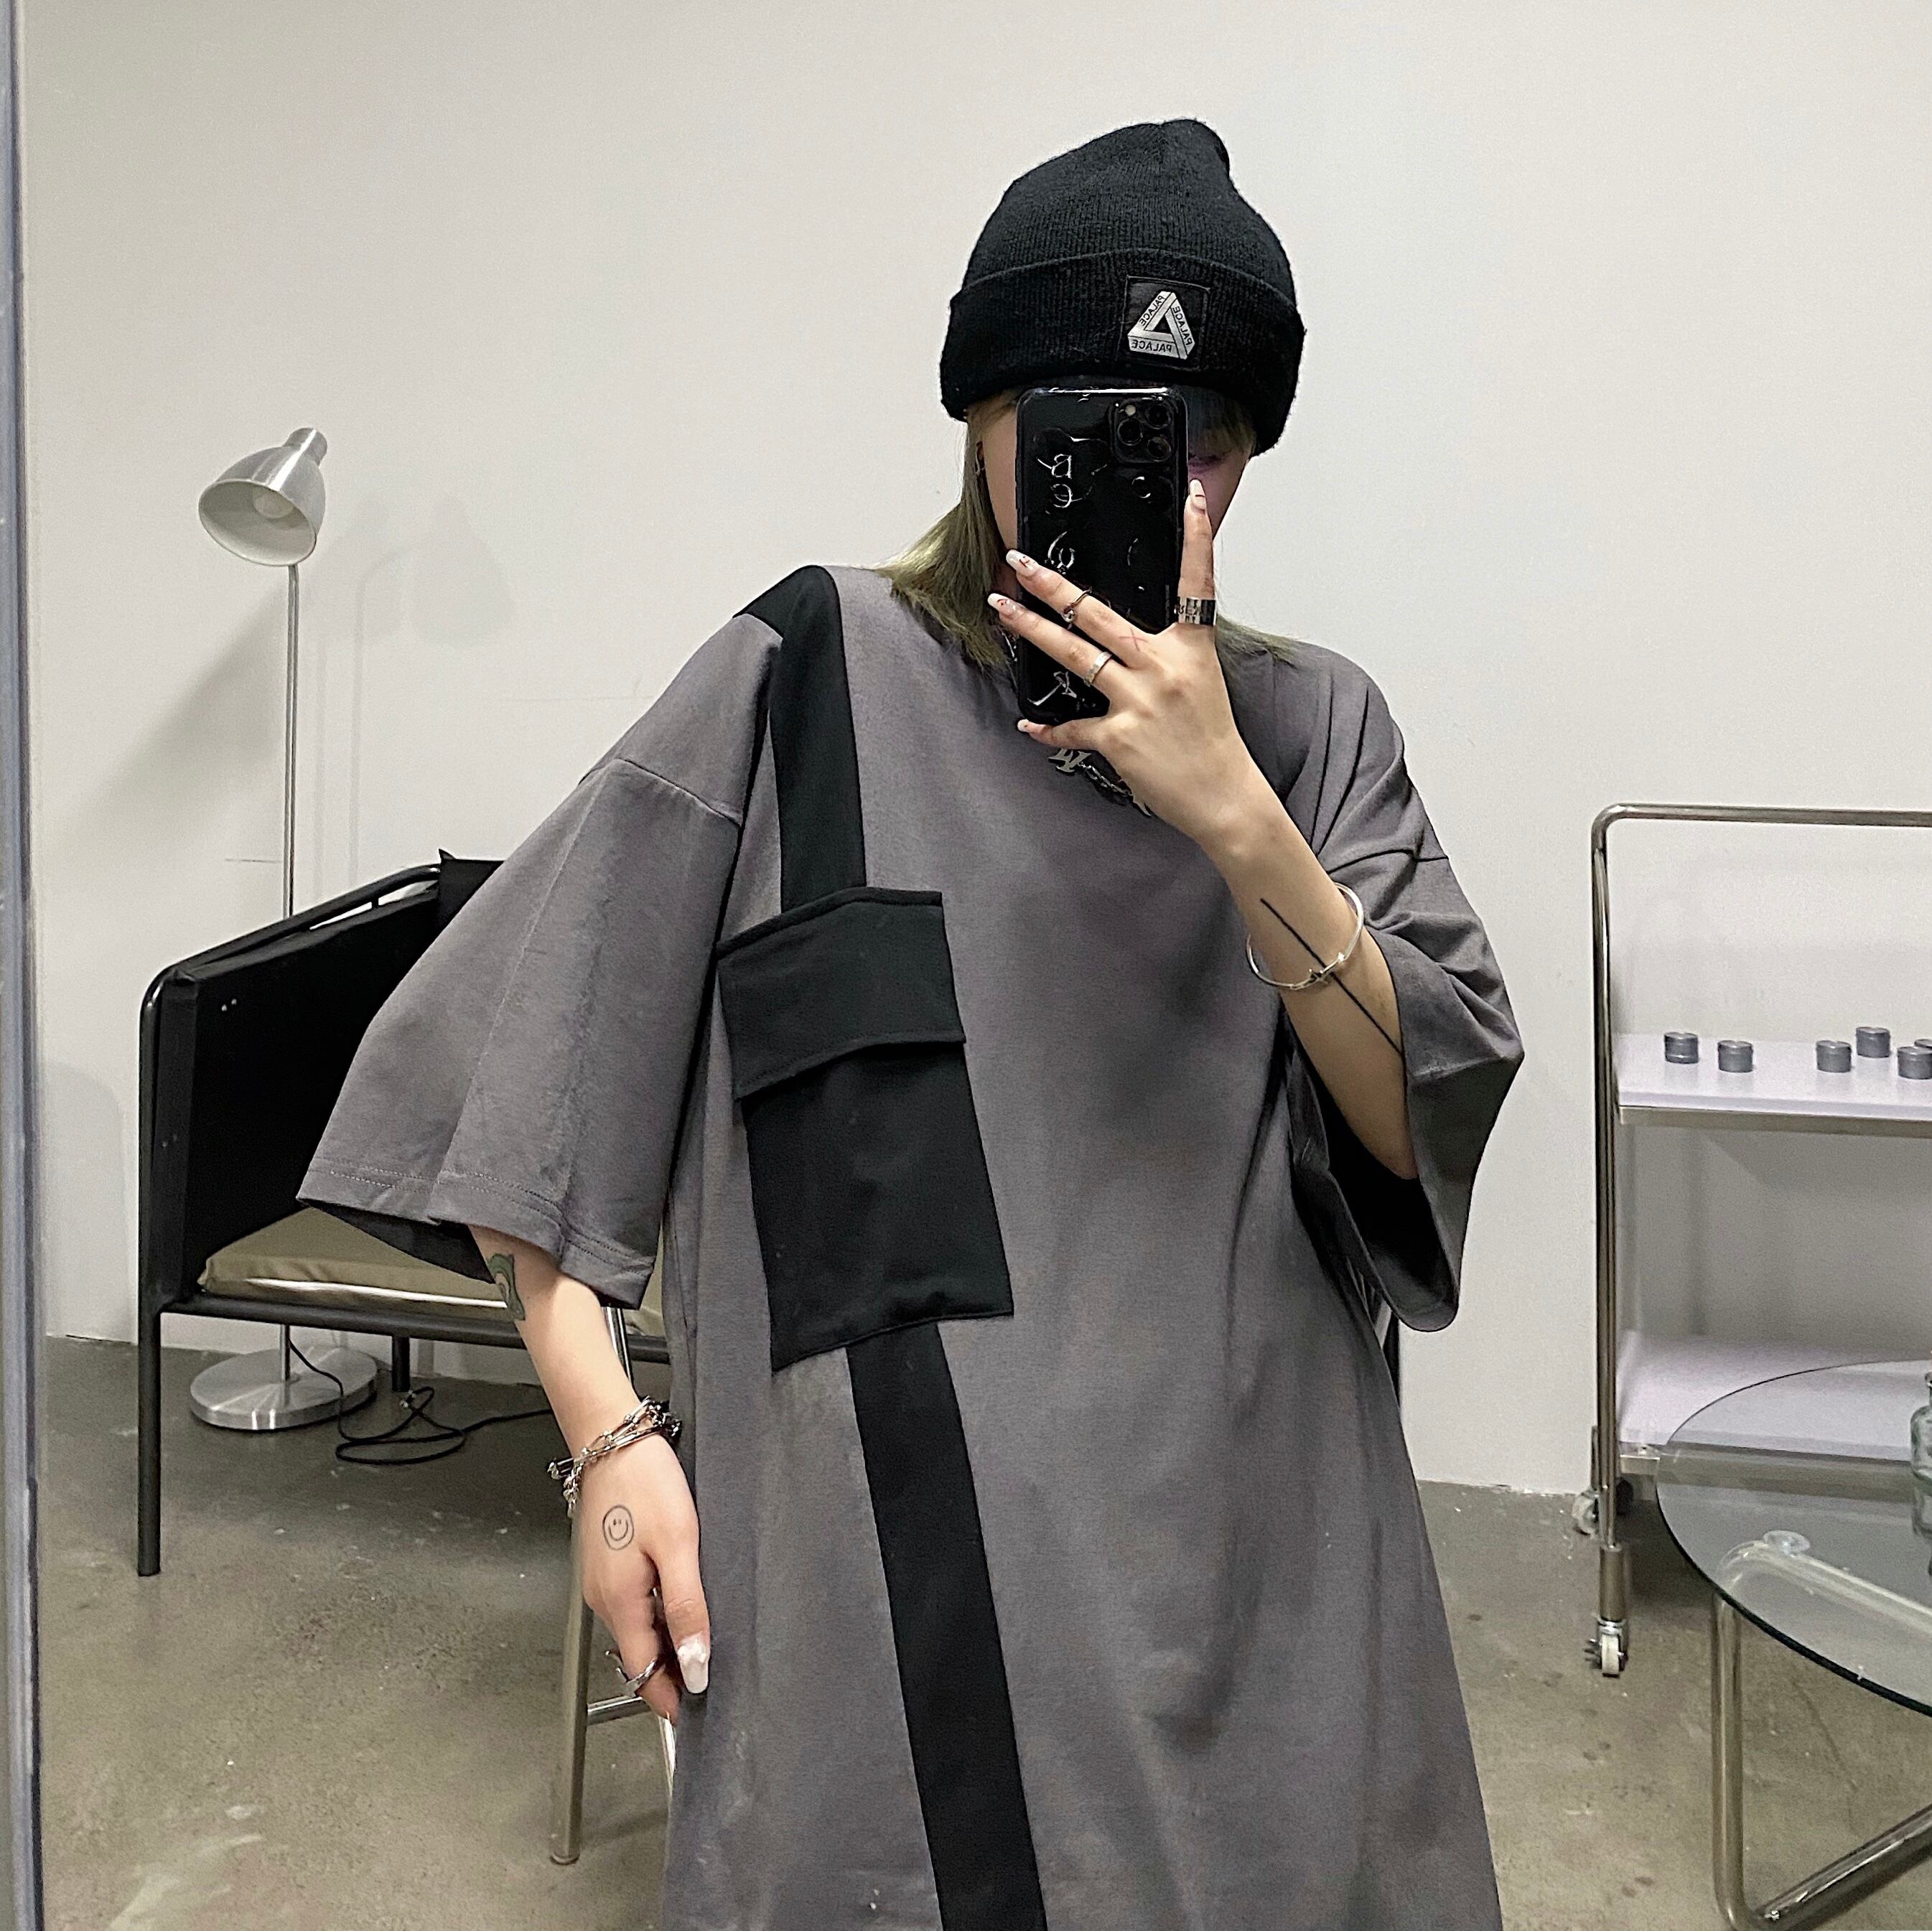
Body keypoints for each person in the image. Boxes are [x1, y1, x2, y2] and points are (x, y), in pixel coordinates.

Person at [299, 117, 1524, 1931]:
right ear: (982, 418)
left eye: (1204, 439)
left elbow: (1420, 1104)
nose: (1162, 483)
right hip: (892, 1644)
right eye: (1093, 425)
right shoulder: (806, 683)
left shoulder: (1314, 731)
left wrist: (1233, 818)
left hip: (1261, 1600)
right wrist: (608, 1446)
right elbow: (516, 1089)